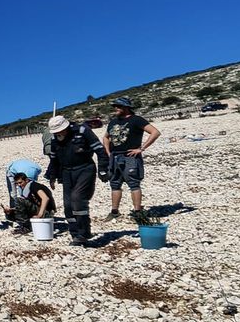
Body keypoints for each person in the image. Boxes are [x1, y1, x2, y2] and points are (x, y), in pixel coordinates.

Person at [46, 115, 109, 246]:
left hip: (85, 168)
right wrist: (52, 176)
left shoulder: (82, 131)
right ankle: (75, 233)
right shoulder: (54, 140)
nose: (58, 134)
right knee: (68, 205)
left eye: (60, 130)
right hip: (66, 172)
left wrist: (103, 169)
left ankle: (84, 232)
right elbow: (53, 160)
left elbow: (100, 150)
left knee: (78, 198)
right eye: (55, 132)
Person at [102, 96, 161, 220]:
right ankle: (114, 211)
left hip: (130, 157)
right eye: (115, 106)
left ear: (126, 107)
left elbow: (155, 132)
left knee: (134, 183)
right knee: (115, 184)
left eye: (118, 106)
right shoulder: (113, 122)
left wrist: (141, 148)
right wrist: (108, 152)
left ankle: (138, 212)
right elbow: (106, 137)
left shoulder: (136, 120)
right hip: (115, 157)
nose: (116, 109)